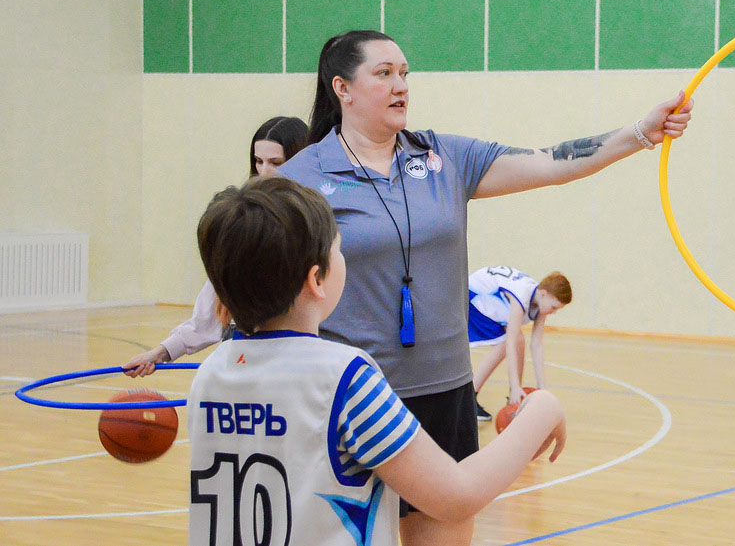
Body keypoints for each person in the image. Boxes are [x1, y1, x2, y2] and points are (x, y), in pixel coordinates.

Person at [278, 29, 692, 546]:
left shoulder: (443, 157)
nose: (401, 84)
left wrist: (640, 132)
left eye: (405, 73)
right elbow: (263, 275)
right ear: (343, 88)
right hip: (353, 396)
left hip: (444, 394)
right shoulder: (302, 177)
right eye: (384, 74)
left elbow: (552, 162)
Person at [188, 176, 566, 546]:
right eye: (340, 249)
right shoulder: (345, 378)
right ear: (317, 279)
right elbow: (456, 496)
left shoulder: (209, 374)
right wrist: (543, 408)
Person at [122, 116, 308, 377]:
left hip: (295, 352)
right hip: (242, 346)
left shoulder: (313, 222)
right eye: (258, 161)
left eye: (276, 163)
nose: (264, 171)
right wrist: (162, 352)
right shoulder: (244, 219)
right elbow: (211, 308)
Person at [467, 266, 571, 421]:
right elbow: (510, 343)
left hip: (490, 295)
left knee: (519, 340)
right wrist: (514, 385)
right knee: (507, 343)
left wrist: (542, 387)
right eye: (554, 307)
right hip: (474, 297)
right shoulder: (521, 297)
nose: (553, 312)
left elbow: (536, 344)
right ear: (544, 294)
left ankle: (514, 398)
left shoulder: (540, 300)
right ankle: (469, 400)